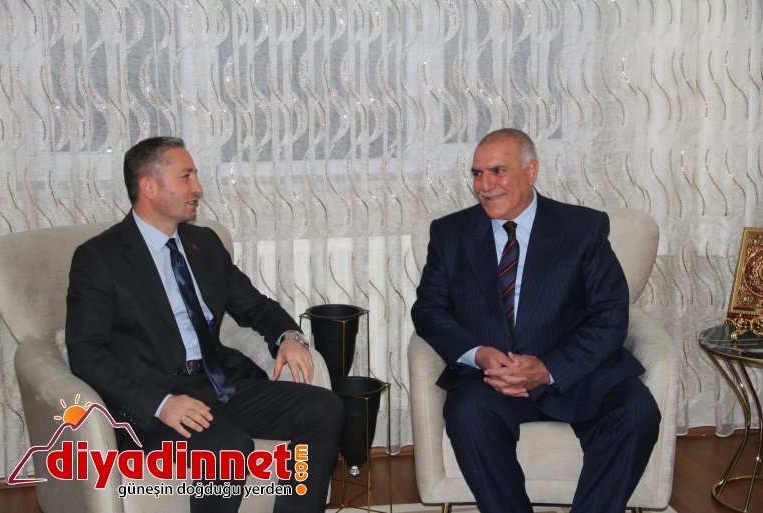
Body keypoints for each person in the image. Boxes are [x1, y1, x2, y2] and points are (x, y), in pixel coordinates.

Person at [66, 136, 344, 513]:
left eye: (195, 175)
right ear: (148, 186)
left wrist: (288, 336)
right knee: (228, 448)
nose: (197, 188)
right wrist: (160, 404)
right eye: (186, 177)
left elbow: (255, 306)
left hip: (218, 385)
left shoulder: (205, 243)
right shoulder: (99, 258)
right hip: (157, 401)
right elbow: (86, 353)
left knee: (324, 408)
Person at [411, 128, 660, 513]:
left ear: (531, 171)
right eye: (477, 173)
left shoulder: (583, 228)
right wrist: (479, 354)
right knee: (467, 413)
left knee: (636, 410)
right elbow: (428, 310)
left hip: (575, 373)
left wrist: (548, 369)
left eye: (497, 171)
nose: (485, 185)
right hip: (492, 378)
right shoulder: (450, 234)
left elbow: (610, 314)